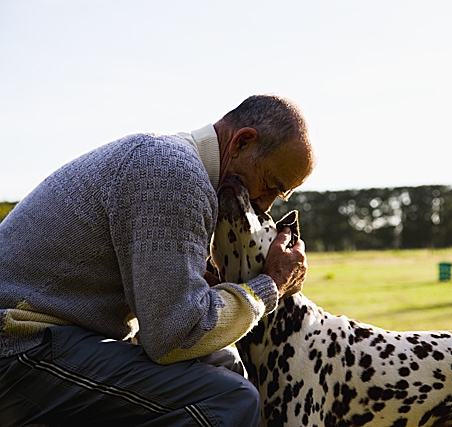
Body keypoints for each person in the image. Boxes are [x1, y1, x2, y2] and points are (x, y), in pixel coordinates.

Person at [0, 94, 315, 426]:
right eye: (269, 186)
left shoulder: (169, 163)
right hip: (17, 346)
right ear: (242, 142)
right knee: (229, 399)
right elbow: (174, 337)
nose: (263, 205)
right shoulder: (175, 175)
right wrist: (271, 286)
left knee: (224, 364)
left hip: (35, 342)